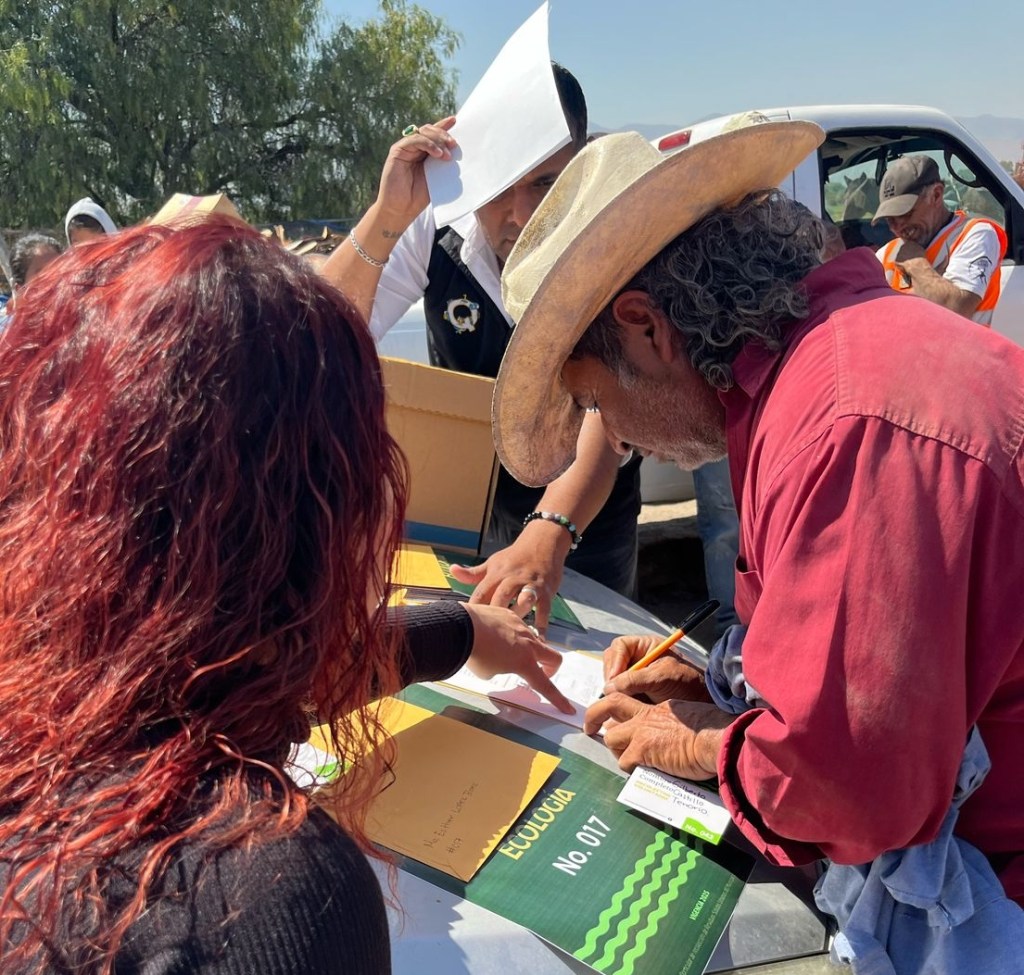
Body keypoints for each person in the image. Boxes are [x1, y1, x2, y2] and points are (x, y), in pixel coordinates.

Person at [490, 126, 1024, 970]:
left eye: (596, 403)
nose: (618, 438)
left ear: (644, 328)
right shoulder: (829, 362)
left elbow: (850, 786)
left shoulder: (843, 424)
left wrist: (697, 745)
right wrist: (714, 684)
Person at [0, 218, 570, 973]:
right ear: (306, 532)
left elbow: (235, 689)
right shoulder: (267, 898)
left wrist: (459, 631)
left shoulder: (60, 694)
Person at [320, 63, 642, 631]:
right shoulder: (433, 225)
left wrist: (550, 533)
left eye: (545, 184)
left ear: (582, 169)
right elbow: (317, 331)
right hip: (464, 516)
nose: (520, 216)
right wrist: (386, 216)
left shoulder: (613, 236)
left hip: (582, 521)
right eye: (501, 182)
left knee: (585, 681)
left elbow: (608, 406)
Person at [871, 154, 1007, 325]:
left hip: (965, 351)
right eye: (890, 219)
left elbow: (955, 309)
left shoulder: (976, 235)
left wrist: (915, 264)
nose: (898, 227)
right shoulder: (886, 254)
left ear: (936, 195)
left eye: (905, 214)